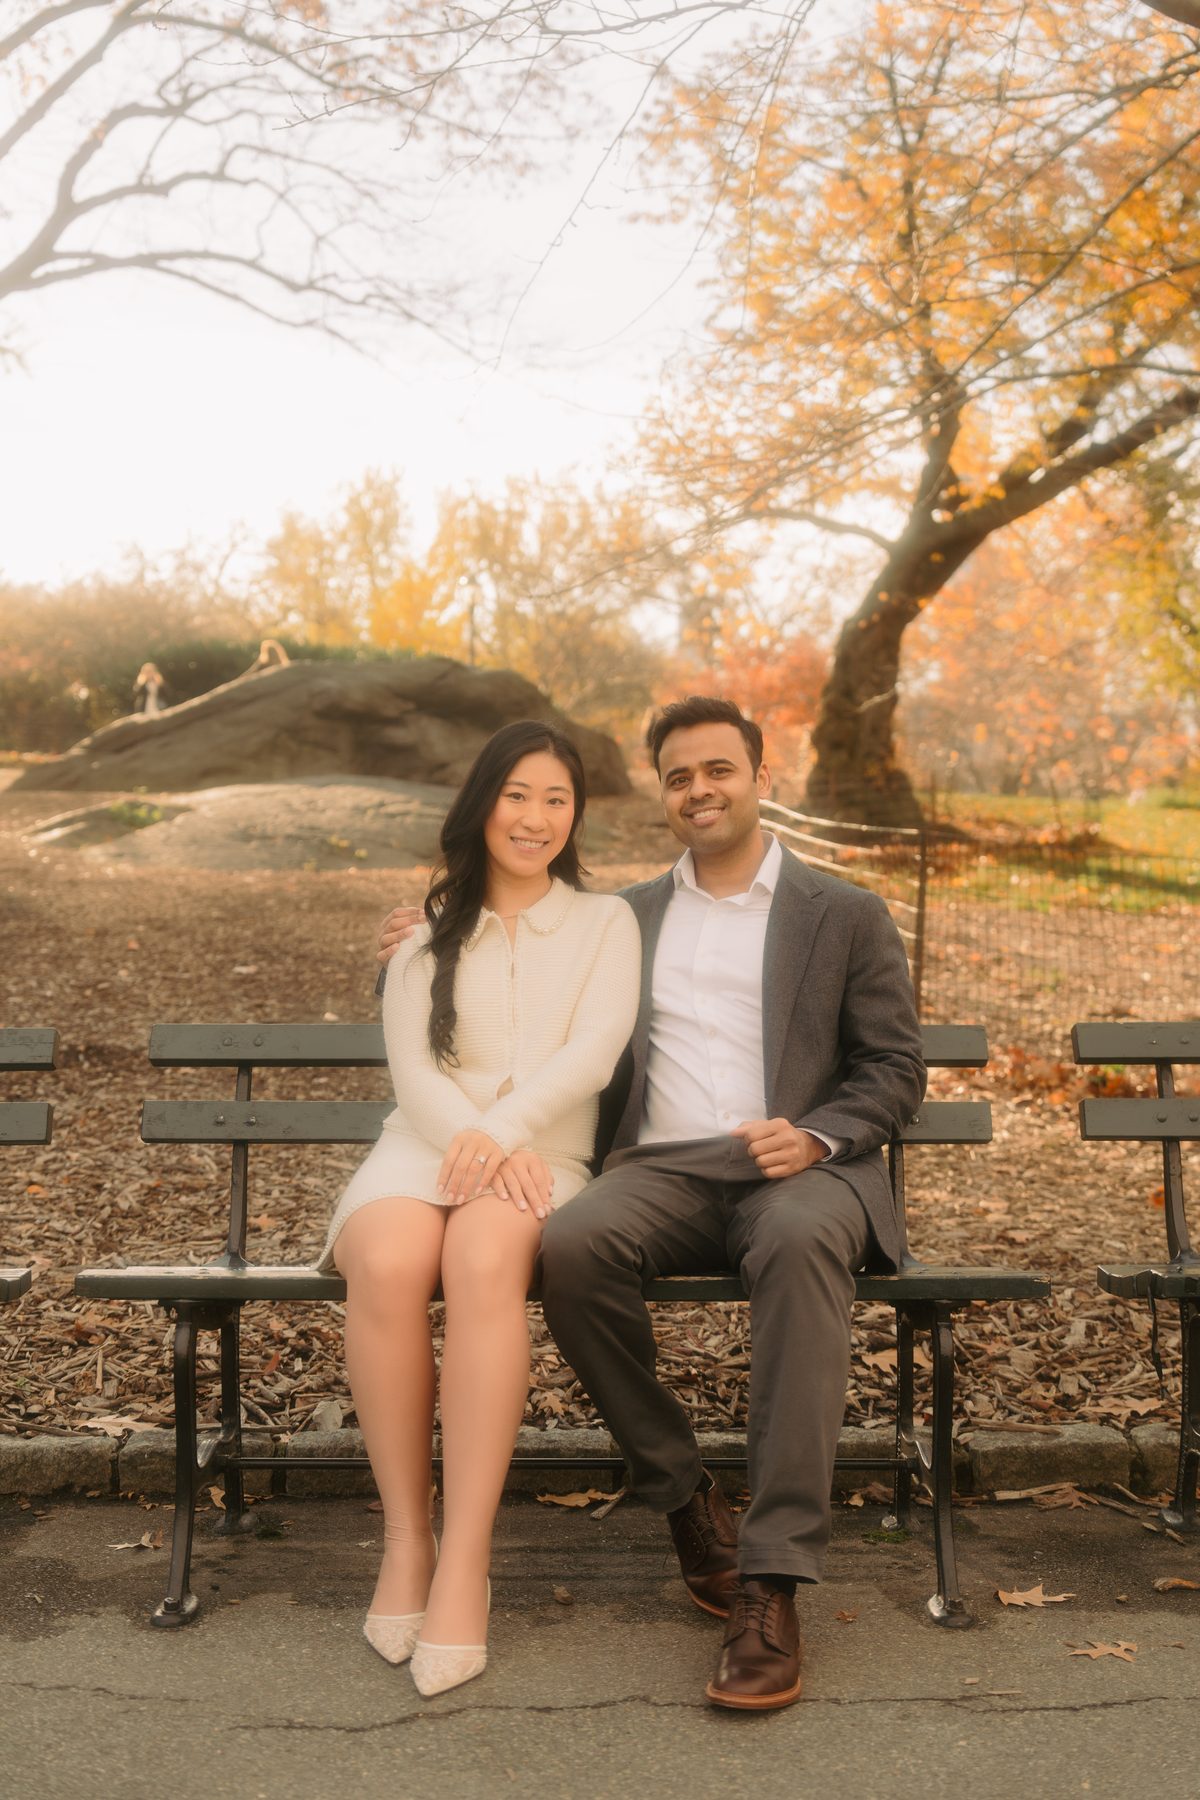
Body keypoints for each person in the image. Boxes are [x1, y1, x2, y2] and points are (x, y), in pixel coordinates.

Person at [377, 696, 924, 1712]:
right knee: (572, 1243)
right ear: (663, 795)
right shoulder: (625, 918)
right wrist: (434, 932)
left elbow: (895, 1069)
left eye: (719, 770)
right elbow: (519, 945)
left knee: (801, 1247)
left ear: (761, 778)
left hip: (797, 1172)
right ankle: (684, 1494)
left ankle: (770, 1583)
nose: (698, 790)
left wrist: (816, 1134)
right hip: (662, 1171)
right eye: (679, 777)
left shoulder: (843, 913)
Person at [325, 719, 639, 1697]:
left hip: (540, 1158)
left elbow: (594, 1052)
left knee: (481, 1260)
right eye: (517, 795)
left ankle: (466, 1561)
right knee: (386, 1261)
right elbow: (413, 1071)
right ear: (482, 805)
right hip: (423, 1146)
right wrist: (473, 1137)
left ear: (575, 816)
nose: (535, 817)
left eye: (556, 799)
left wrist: (502, 1137)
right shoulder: (424, 938)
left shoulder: (606, 924)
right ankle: (407, 1543)